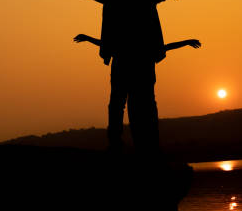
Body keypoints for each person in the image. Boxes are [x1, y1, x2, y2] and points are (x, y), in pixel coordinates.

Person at [42, 0, 222, 153]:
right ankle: (134, 145)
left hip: (132, 62)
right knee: (135, 105)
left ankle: (132, 145)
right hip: (136, 62)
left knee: (128, 104)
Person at [73, 34, 201, 152]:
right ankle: (120, 143)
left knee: (126, 109)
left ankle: (129, 143)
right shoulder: (135, 49)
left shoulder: (140, 49)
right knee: (122, 108)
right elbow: (164, 47)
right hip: (128, 79)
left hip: (133, 80)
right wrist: (88, 39)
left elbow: (106, 44)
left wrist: (186, 42)